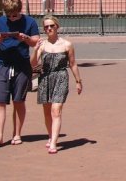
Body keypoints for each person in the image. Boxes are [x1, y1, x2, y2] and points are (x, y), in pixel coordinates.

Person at [0, 0, 40, 148]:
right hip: (2, 65)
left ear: (19, 11)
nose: (11, 18)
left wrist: (26, 39)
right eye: (9, 15)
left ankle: (17, 134)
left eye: (14, 15)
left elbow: (36, 41)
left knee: (19, 101)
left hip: (22, 66)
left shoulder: (29, 22)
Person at [31, 15, 82, 154]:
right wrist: (35, 50)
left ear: (57, 27)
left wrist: (78, 81)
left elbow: (72, 64)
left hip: (60, 77)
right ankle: (51, 136)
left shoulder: (67, 44)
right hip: (45, 78)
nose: (49, 29)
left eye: (51, 26)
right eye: (46, 27)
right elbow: (33, 64)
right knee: (47, 112)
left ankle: (54, 142)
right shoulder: (42, 44)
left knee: (56, 110)